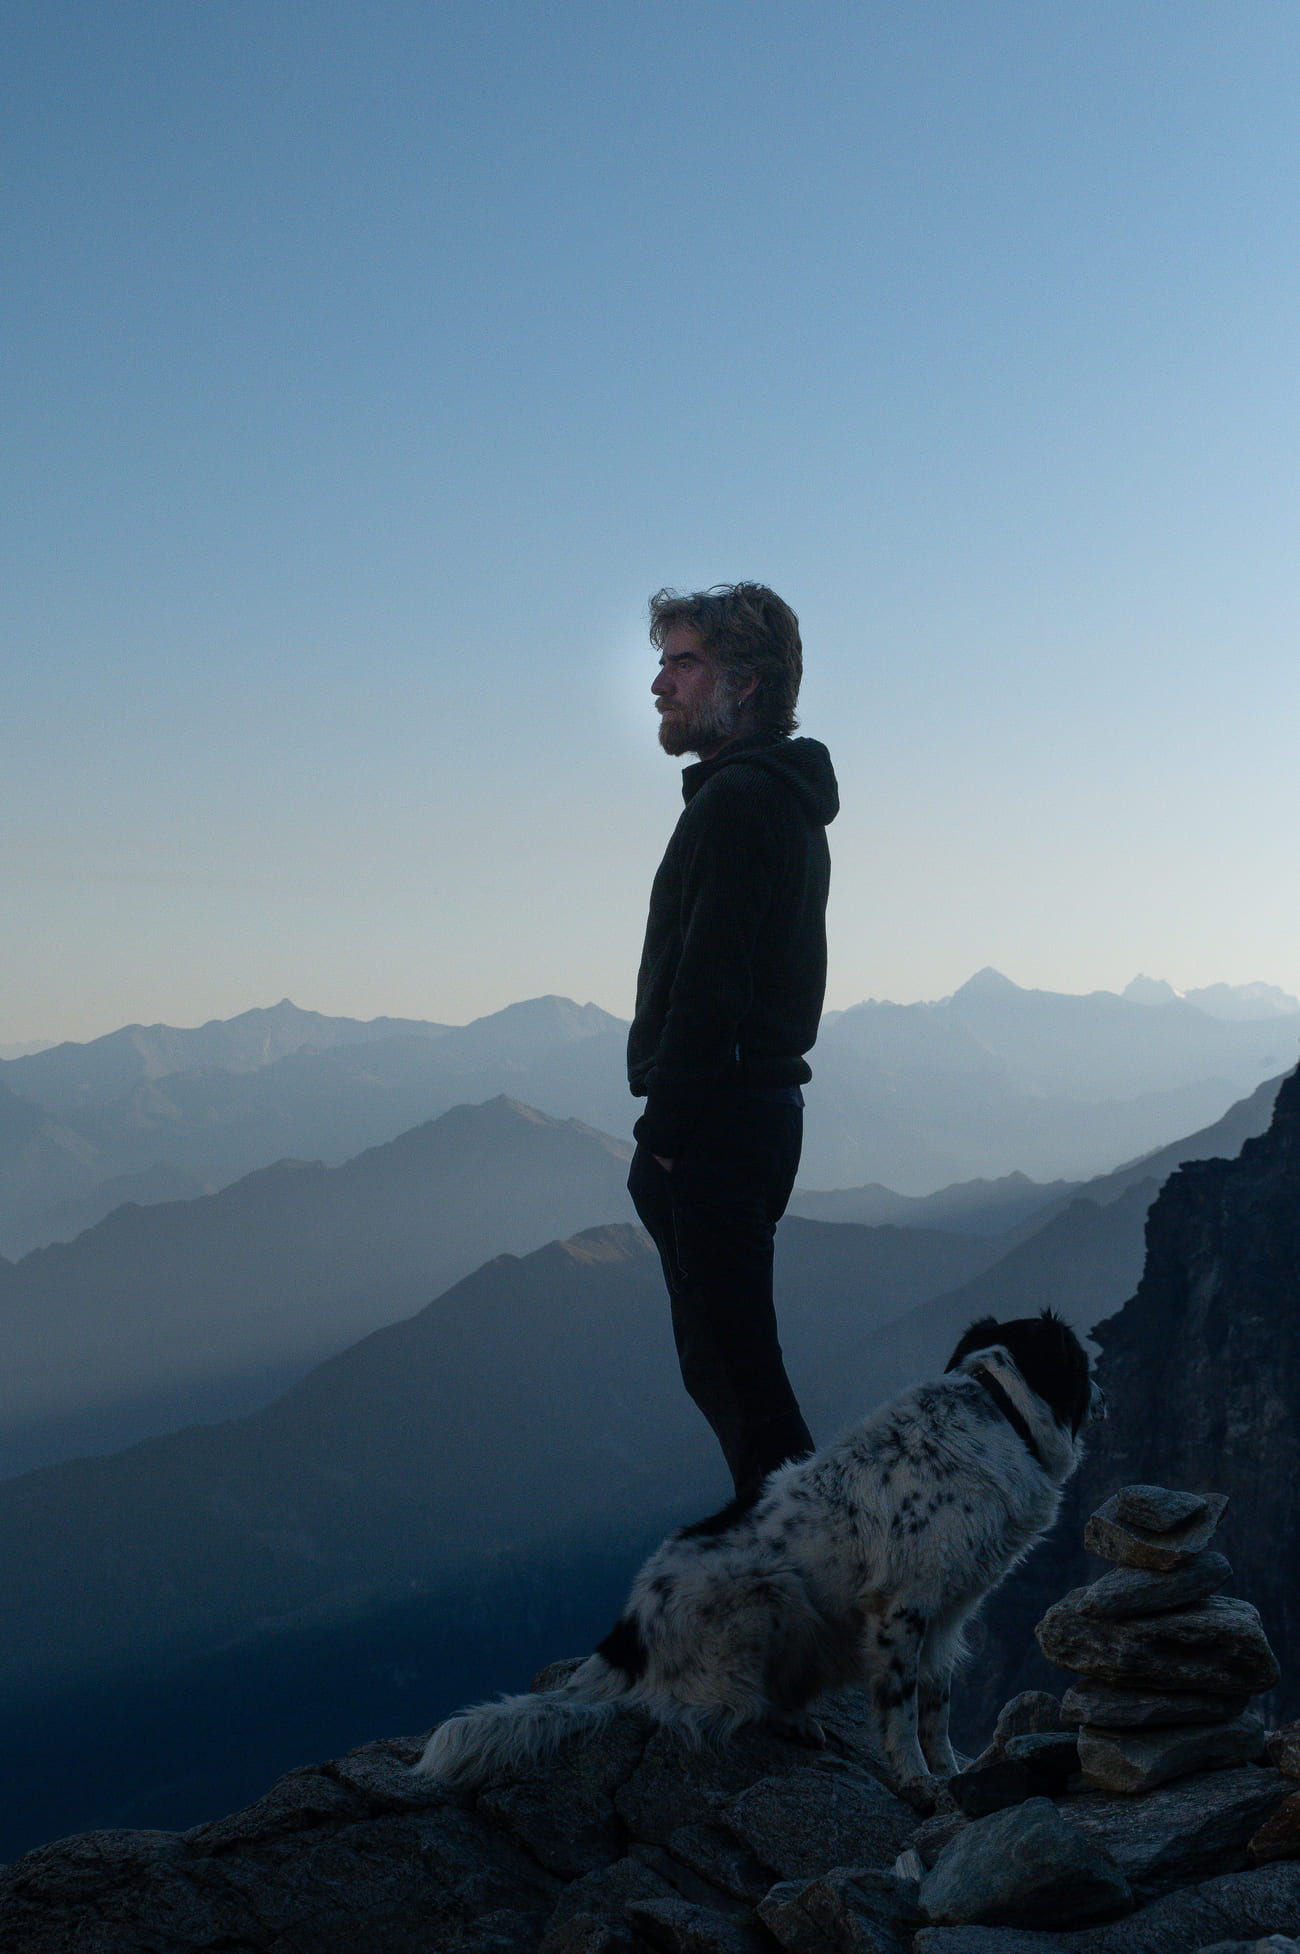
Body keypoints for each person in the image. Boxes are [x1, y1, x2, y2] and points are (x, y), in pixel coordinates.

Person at [626, 582, 839, 1505]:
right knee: (734, 1365)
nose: (659, 685)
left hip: (719, 1123)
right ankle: (797, 1554)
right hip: (755, 1113)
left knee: (740, 1379)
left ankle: (803, 1575)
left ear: (744, 684)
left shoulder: (739, 803)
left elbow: (712, 986)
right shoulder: (770, 798)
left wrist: (664, 1136)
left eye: (683, 662)